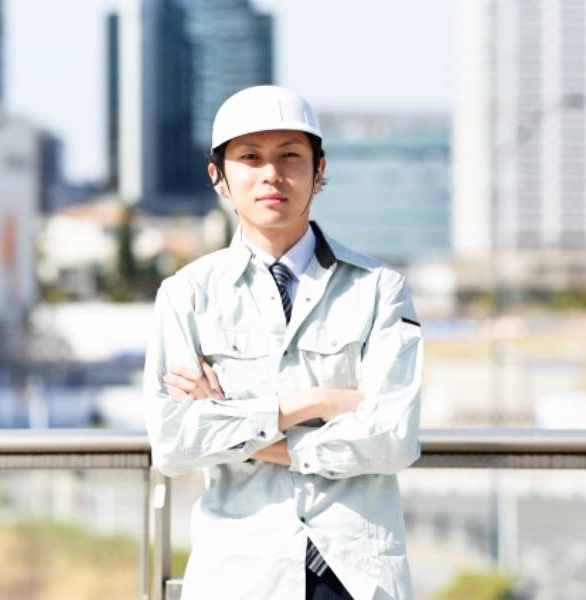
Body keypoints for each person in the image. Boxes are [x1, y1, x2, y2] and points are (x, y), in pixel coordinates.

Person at [144, 85, 422, 600]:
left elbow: (392, 439)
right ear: (219, 177)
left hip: (355, 572)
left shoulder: (380, 289)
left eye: (290, 156)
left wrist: (239, 426)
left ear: (319, 171)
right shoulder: (186, 295)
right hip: (240, 573)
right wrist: (316, 402)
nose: (271, 174)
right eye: (250, 158)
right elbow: (174, 444)